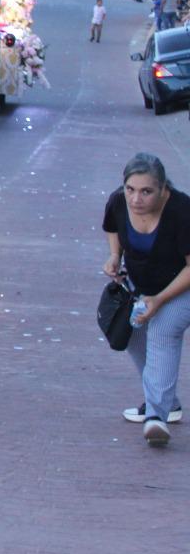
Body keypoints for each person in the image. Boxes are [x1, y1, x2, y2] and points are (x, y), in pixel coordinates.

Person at [104, 153, 190, 447]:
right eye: (130, 189)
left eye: (146, 191)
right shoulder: (118, 202)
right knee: (132, 335)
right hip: (142, 287)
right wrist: (115, 256)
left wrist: (160, 299)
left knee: (163, 331)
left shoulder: (181, 211)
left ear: (163, 189)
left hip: (181, 285)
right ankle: (168, 403)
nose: (136, 199)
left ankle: (156, 417)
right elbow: (112, 228)